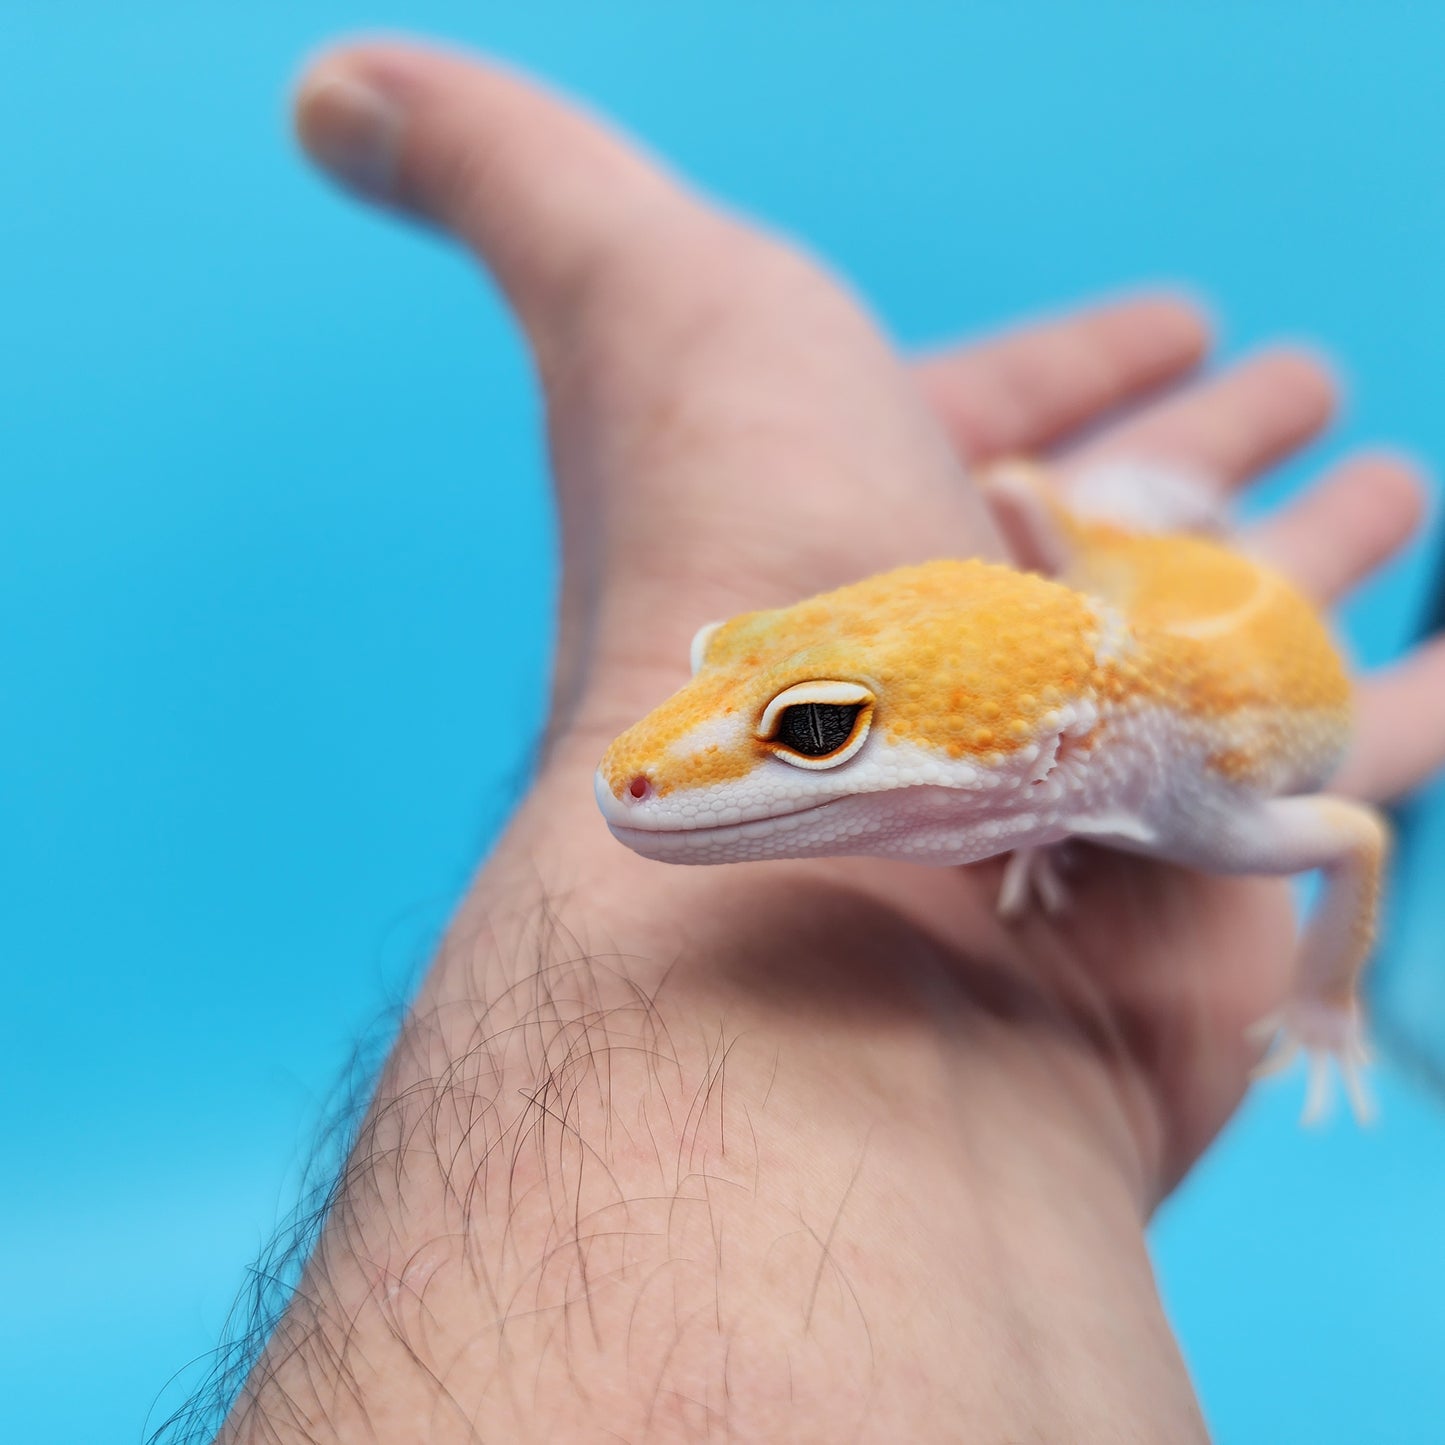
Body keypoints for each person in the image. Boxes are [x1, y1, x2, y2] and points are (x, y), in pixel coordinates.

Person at [219, 35, 1444, 1441]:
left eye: (812, 733)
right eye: (742, 688)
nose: (638, 767)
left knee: (1071, 528)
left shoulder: (1205, 805)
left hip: (1199, 651)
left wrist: (1322, 998)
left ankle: (1079, 513)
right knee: (1058, 541)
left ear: (1046, 750)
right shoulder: (1061, 737)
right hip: (1102, 645)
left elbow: (1344, 834)